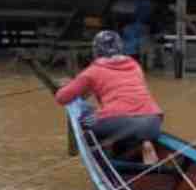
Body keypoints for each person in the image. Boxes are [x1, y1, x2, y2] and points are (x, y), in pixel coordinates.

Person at [54, 30, 163, 164]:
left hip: (120, 121)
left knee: (85, 119)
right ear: (120, 47)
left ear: (96, 50)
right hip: (153, 121)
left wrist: (70, 84)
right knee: (122, 120)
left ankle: (103, 159)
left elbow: (61, 98)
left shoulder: (93, 71)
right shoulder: (134, 65)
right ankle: (144, 142)